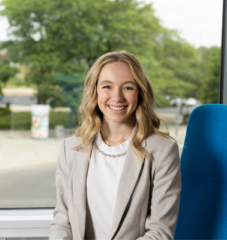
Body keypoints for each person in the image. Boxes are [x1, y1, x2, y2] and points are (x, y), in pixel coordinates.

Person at [49, 51, 181, 240]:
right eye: (107, 86)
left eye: (128, 88)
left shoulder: (163, 151)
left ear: (140, 93)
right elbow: (62, 222)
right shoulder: (70, 149)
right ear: (94, 91)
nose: (117, 97)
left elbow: (160, 232)